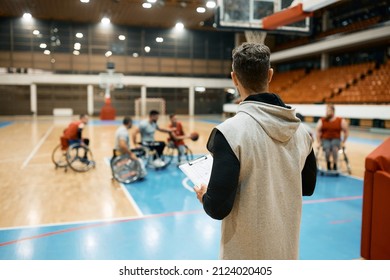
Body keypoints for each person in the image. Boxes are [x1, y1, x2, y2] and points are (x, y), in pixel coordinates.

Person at [193, 42, 317, 260]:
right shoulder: (303, 132)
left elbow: (217, 208)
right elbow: (306, 187)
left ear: (234, 78)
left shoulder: (229, 132)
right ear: (269, 75)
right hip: (286, 253)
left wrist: (205, 196)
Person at [316, 104, 349, 171]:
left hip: (336, 139)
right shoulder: (322, 120)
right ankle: (328, 164)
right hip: (325, 139)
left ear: (333, 111)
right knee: (327, 150)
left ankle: (335, 164)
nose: (327, 112)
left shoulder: (340, 120)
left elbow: (346, 131)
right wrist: (319, 142)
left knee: (334, 149)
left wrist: (343, 142)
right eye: (327, 110)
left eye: (329, 110)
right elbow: (317, 131)